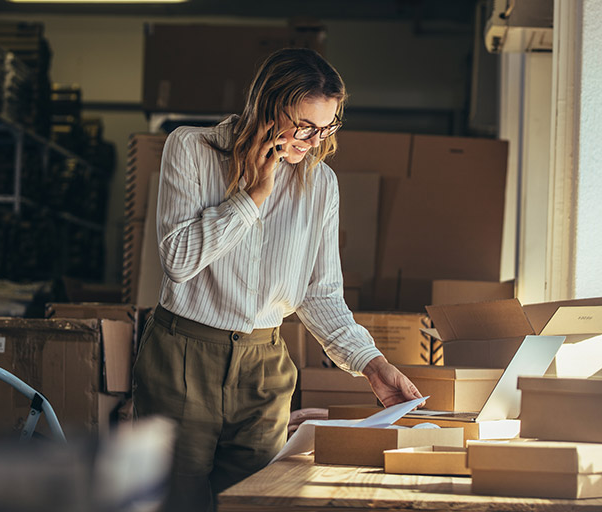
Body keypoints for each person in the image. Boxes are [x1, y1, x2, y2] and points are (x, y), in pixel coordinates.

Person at [131, 48, 423, 512]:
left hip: (264, 367)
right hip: (182, 357)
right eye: (304, 125)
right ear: (267, 105)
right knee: (175, 501)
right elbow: (179, 260)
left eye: (325, 128)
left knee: (256, 503)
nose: (312, 140)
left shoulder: (321, 184)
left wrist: (372, 363)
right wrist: (253, 198)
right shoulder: (190, 148)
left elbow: (320, 294)